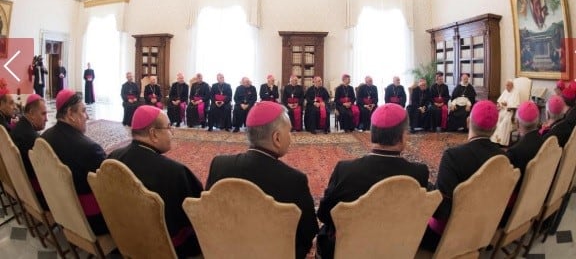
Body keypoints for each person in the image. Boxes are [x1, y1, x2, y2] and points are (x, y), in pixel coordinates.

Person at [206, 102, 318, 259]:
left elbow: (209, 215)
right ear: (277, 138)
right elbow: (309, 233)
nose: (291, 137)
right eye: (290, 131)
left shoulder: (219, 165)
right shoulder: (294, 180)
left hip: (227, 252)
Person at [317, 104, 430, 258]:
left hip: (351, 250)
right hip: (397, 248)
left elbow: (324, 215)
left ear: (371, 134)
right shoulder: (419, 173)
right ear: (404, 136)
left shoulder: (345, 170)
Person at [108, 106, 203, 258]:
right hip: (168, 250)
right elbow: (200, 212)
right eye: (168, 127)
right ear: (153, 134)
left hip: (126, 239)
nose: (172, 133)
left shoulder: (113, 157)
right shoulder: (175, 172)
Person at [421, 100, 504, 251]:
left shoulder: (453, 156)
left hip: (450, 234)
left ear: (468, 121)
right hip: (485, 225)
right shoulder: (503, 156)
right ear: (495, 127)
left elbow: (441, 210)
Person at [41, 89, 108, 235]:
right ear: (70, 114)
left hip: (60, 208)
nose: (88, 116)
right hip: (90, 221)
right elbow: (110, 186)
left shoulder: (44, 137)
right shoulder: (89, 149)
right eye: (83, 111)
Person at [10, 94, 49, 209]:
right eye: (43, 114)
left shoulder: (20, 126)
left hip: (20, 186)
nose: (47, 118)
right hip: (36, 194)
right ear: (31, 114)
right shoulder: (33, 139)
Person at [491, 80, 521, 146]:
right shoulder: (505, 91)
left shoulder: (516, 93)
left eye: (508, 85)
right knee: (497, 120)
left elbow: (516, 105)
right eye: (506, 85)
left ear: (512, 86)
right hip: (502, 111)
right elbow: (499, 101)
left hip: (510, 112)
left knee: (504, 123)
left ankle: (501, 142)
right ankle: (495, 140)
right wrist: (499, 104)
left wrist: (507, 105)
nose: (506, 87)